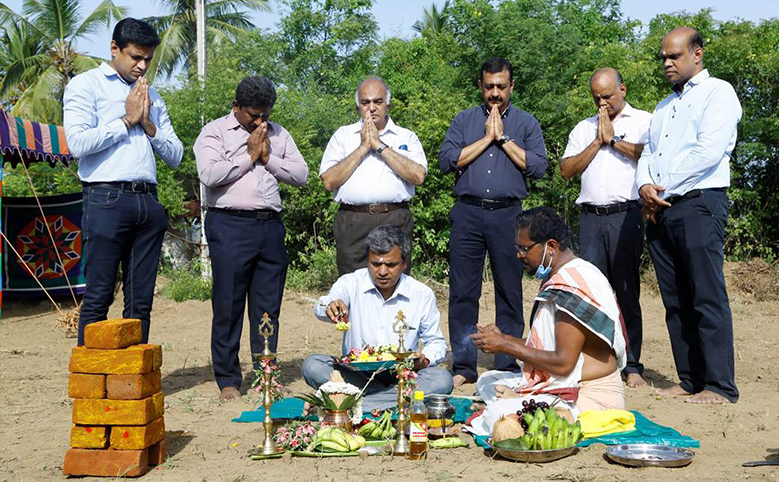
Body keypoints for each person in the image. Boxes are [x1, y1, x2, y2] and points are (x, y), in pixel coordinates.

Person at [636, 27, 742, 405]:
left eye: (674, 56)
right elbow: (648, 152)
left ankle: (719, 386)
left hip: (699, 203)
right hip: (660, 209)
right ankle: (690, 377)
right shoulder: (664, 106)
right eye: (663, 57)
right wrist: (644, 186)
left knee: (706, 295)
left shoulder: (719, 93)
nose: (667, 63)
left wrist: (659, 185)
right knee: (676, 298)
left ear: (697, 54)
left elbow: (708, 151)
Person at [64, 18, 183, 346]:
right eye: (135, 57)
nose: (142, 66)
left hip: (149, 202)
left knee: (140, 304)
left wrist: (146, 123)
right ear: (114, 48)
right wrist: (126, 120)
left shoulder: (153, 96)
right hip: (106, 197)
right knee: (99, 296)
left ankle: (133, 387)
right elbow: (77, 144)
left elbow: (175, 154)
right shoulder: (86, 85)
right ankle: (92, 385)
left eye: (148, 59)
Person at [194, 76, 309, 400]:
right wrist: (249, 156)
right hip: (229, 225)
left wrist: (268, 158)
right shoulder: (215, 132)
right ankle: (228, 380)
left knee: (267, 306)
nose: (260, 122)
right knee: (228, 304)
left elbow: (301, 175)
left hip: (269, 226)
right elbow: (210, 175)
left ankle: (266, 374)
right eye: (253, 115)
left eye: (265, 115)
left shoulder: (279, 134)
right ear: (236, 107)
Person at [466, 207, 627, 436]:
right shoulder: (567, 274)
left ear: (550, 246)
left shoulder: (569, 287)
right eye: (517, 248)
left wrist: (504, 346)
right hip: (566, 386)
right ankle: (525, 401)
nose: (518, 255)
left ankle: (529, 405)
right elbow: (549, 346)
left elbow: (563, 363)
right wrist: (504, 339)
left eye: (524, 248)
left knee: (494, 415)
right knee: (488, 381)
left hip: (589, 397)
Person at [439, 57, 547, 388]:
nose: (495, 93)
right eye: (489, 87)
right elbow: (447, 161)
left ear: (511, 86)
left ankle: (506, 361)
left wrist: (503, 139)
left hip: (508, 216)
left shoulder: (527, 123)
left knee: (509, 290)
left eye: (501, 86)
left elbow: (538, 168)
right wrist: (486, 139)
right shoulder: (464, 120)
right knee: (463, 291)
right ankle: (464, 363)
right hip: (468, 212)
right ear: (481, 87)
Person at [560, 68, 651, 388]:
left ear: (623, 89)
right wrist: (597, 142)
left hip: (625, 216)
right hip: (590, 218)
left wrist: (614, 140)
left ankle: (633, 365)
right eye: (596, 97)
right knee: (591, 293)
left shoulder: (644, 121)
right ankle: (595, 359)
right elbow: (566, 170)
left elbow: (652, 156)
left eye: (608, 96)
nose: (602, 103)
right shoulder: (583, 128)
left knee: (627, 291)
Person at [301, 226, 453, 411]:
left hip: (402, 375)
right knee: (313, 365)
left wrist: (424, 361)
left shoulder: (421, 293)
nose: (382, 271)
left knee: (442, 379)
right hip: (356, 373)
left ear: (404, 263)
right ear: (368, 260)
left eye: (390, 265)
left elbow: (436, 342)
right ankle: (389, 400)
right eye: (375, 264)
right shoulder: (350, 283)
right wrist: (330, 307)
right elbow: (322, 305)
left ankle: (348, 404)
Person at [320, 77, 427, 275]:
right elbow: (328, 180)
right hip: (353, 221)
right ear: (357, 106)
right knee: (352, 285)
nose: (371, 108)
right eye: (365, 102)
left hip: (394, 218)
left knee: (394, 284)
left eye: (378, 101)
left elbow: (418, 176)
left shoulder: (405, 136)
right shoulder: (343, 136)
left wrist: (379, 146)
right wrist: (363, 147)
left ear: (388, 103)